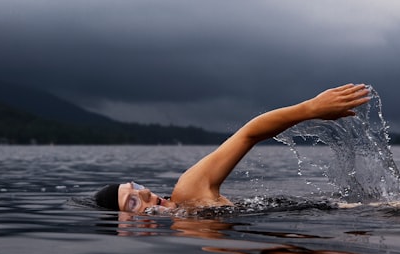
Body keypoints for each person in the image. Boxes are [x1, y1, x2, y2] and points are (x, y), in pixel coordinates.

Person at [95, 83, 371, 213]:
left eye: (136, 186)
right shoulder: (186, 239)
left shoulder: (189, 192)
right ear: (126, 227)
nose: (144, 192)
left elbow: (248, 134)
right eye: (132, 201)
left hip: (352, 212)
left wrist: (309, 109)